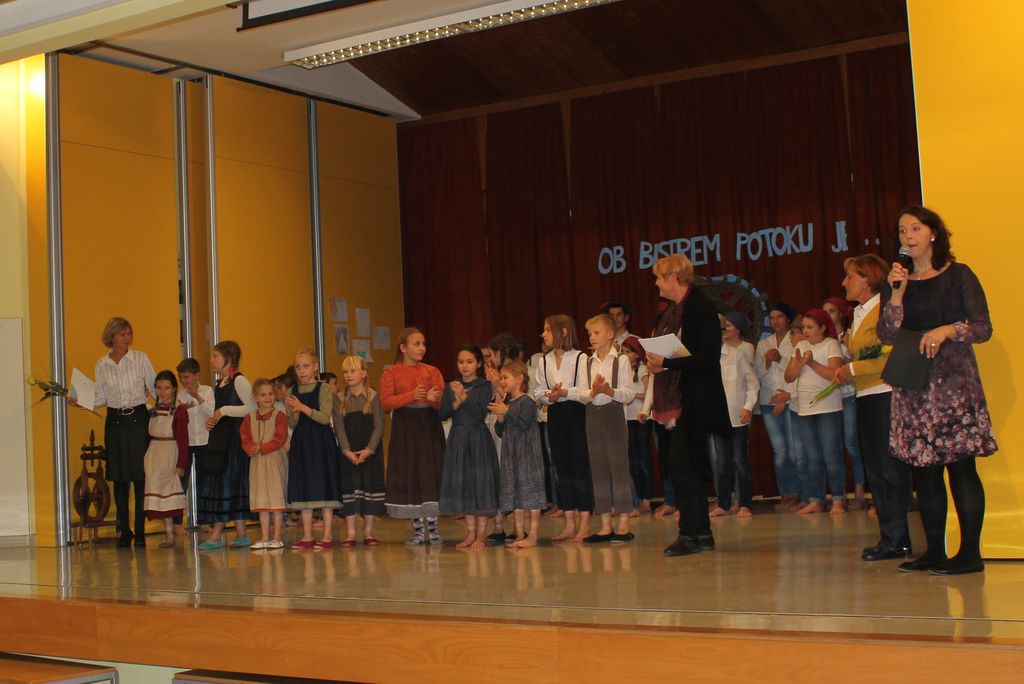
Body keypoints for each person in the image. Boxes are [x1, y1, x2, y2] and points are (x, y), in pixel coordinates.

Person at [879, 206, 997, 575]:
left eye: (915, 228)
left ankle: (970, 554)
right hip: (914, 388)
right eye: (902, 231)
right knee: (925, 472)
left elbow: (983, 327)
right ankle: (934, 552)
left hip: (953, 387)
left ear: (933, 233)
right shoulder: (897, 281)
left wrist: (948, 330)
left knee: (961, 469)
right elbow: (887, 334)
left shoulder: (959, 275)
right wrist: (896, 295)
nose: (908, 236)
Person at [646, 254, 731, 557]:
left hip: (696, 399)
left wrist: (667, 362)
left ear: (674, 277)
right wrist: (659, 361)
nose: (656, 283)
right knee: (684, 465)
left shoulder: (700, 307)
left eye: (659, 277)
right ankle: (699, 533)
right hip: (680, 398)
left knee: (683, 464)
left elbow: (708, 357)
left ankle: (692, 533)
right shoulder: (674, 310)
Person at [832, 254, 914, 561]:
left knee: (889, 469)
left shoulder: (884, 308)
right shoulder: (858, 313)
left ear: (867, 280)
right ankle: (890, 537)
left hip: (885, 394)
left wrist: (852, 369)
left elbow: (889, 355)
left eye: (850, 276)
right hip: (866, 396)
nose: (844, 282)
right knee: (876, 470)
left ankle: (897, 538)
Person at [88, 317, 155, 548]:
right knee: (118, 477)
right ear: (112, 337)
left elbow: (155, 387)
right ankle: (124, 531)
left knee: (139, 476)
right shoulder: (102, 363)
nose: (127, 338)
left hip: (137, 418)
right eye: (122, 334)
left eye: (128, 333)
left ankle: (140, 532)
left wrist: (163, 408)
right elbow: (101, 396)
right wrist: (82, 401)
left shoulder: (141, 358)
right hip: (115, 420)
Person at [380, 327, 446, 545]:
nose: (422, 348)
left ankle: (433, 528)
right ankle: (418, 530)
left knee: (430, 474)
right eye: (416, 344)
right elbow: (385, 402)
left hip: (428, 426)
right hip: (405, 429)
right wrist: (411, 396)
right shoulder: (391, 373)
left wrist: (433, 400)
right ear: (403, 347)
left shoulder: (432, 371)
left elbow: (442, 403)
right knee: (411, 476)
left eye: (423, 343)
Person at [533, 314, 592, 542]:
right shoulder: (543, 361)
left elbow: (586, 392)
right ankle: (569, 524)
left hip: (576, 414)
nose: (543, 334)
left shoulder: (581, 358)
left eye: (548, 330)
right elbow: (538, 391)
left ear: (563, 332)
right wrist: (549, 396)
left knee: (579, 468)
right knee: (562, 469)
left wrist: (565, 392)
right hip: (555, 415)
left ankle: (584, 523)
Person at [580, 314, 636, 543]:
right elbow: (581, 394)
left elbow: (629, 394)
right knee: (598, 467)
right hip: (593, 416)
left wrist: (609, 391)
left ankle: (623, 522)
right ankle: (604, 524)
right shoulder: (587, 362)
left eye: (596, 332)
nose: (592, 337)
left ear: (610, 334)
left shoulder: (620, 361)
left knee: (618, 466)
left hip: (613, 416)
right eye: (590, 334)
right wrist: (593, 392)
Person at [785, 309, 847, 515]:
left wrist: (811, 363)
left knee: (831, 454)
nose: (805, 331)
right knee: (812, 456)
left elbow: (835, 375)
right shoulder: (800, 346)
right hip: (805, 407)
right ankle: (815, 500)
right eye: (803, 327)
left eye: (810, 327)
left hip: (828, 407)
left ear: (822, 327)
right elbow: (788, 377)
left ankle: (838, 499)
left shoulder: (831, 344)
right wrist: (799, 365)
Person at [438, 344, 501, 548]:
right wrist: (455, 403)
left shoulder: (484, 386)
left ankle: (481, 535)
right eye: (461, 362)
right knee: (464, 485)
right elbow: (442, 414)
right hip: (458, 437)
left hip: (478, 436)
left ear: (479, 363)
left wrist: (464, 399)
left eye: (469, 362)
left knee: (480, 484)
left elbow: (480, 412)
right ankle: (470, 533)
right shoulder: (452, 385)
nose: (464, 366)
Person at [197, 341, 256, 550]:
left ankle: (216, 534)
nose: (211, 360)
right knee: (227, 484)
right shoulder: (221, 383)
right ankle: (241, 533)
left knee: (227, 483)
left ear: (228, 358)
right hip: (221, 439)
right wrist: (212, 420)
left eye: (215, 356)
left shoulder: (240, 381)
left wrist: (224, 411)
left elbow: (252, 408)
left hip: (235, 441)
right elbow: (219, 411)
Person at [286, 349, 343, 550]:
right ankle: (307, 535)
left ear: (315, 367)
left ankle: (327, 535)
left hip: (321, 442)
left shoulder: (323, 388)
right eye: (298, 367)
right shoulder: (291, 391)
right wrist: (295, 414)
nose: (302, 370)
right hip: (301, 442)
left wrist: (302, 408)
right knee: (304, 487)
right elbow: (292, 423)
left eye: (306, 366)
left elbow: (324, 417)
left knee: (323, 485)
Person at [491, 360, 547, 548]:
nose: (502, 382)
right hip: (511, 455)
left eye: (505, 378)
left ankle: (533, 535)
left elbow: (523, 423)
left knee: (531, 496)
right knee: (516, 495)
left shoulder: (528, 402)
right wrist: (500, 419)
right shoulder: (508, 402)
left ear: (519, 379)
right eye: (501, 378)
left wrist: (506, 412)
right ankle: (520, 533)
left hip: (528, 456)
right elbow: (500, 431)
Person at [710, 312, 759, 518]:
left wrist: (748, 407)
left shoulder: (737, 355)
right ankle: (723, 503)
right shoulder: (705, 359)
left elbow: (753, 384)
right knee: (721, 463)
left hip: (737, 417)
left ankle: (745, 503)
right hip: (716, 419)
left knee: (740, 462)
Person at [333, 354, 385, 547]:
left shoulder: (374, 397)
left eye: (353, 370)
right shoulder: (339, 398)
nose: (348, 375)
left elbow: (379, 425)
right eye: (345, 371)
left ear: (364, 373)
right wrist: (346, 450)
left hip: (369, 452)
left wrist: (369, 450)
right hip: (348, 453)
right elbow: (339, 426)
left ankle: (369, 532)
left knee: (369, 489)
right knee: (350, 490)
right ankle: (351, 533)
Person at [754, 304, 800, 511]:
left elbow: (797, 371)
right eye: (772, 318)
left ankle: (798, 493)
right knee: (779, 450)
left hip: (789, 399)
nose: (775, 321)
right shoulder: (763, 344)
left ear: (787, 319)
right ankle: (785, 493)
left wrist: (780, 359)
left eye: (779, 317)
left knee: (793, 450)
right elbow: (757, 375)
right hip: (768, 400)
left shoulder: (796, 340)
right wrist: (766, 362)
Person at [824, 296, 867, 509]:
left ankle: (860, 493)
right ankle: (838, 496)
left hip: (849, 395)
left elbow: (862, 361)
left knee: (852, 443)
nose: (827, 315)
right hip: (831, 398)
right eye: (825, 312)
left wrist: (847, 348)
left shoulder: (851, 334)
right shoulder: (823, 338)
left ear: (841, 313)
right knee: (833, 446)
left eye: (831, 311)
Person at [142, 370, 189, 548]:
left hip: (170, 453)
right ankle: (168, 533)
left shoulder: (179, 411)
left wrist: (181, 464)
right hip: (154, 454)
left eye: (166, 388)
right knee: (159, 496)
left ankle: (171, 534)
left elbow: (184, 441)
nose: (162, 391)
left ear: (174, 388)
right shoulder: (153, 410)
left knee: (168, 494)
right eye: (159, 388)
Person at [242, 378, 288, 550]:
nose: (267, 398)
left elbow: (280, 437)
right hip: (257, 462)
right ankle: (265, 537)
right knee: (261, 501)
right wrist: (251, 448)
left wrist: (262, 447)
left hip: (274, 460)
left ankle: (276, 537)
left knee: (276, 500)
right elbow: (245, 437)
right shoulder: (249, 418)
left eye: (270, 394)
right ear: (256, 397)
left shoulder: (280, 416)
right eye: (263, 395)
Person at [175, 357, 213, 534]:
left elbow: (212, 412)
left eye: (186, 377)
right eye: (180, 377)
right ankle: (177, 522)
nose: (183, 381)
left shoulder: (207, 391)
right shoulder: (178, 394)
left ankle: (204, 520)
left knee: (204, 482)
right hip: (185, 443)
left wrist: (197, 396)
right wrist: (181, 408)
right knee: (181, 482)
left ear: (197, 376)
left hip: (204, 440)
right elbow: (174, 417)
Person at [620, 337, 652, 516]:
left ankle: (646, 500)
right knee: (631, 461)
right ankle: (636, 499)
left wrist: (632, 395)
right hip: (627, 419)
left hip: (640, 418)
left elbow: (649, 392)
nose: (624, 355)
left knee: (643, 460)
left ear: (637, 354)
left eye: (628, 352)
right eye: (622, 352)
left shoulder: (643, 369)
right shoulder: (623, 370)